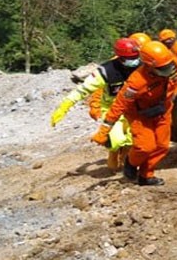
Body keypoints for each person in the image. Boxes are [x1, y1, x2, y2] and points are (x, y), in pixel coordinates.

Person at [91, 41, 177, 186]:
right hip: (140, 115)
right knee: (145, 146)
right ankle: (131, 163)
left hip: (163, 110)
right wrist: (104, 130)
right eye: (162, 69)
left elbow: (176, 82)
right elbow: (119, 104)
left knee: (162, 146)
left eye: (168, 67)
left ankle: (146, 176)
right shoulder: (136, 82)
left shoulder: (170, 63)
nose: (167, 71)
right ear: (149, 66)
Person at [51, 37, 141, 171]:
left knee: (133, 138)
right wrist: (65, 106)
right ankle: (114, 155)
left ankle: (126, 162)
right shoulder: (105, 72)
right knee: (116, 140)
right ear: (121, 57)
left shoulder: (142, 66)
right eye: (131, 58)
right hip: (111, 108)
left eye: (136, 57)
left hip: (133, 108)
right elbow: (83, 90)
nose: (135, 60)